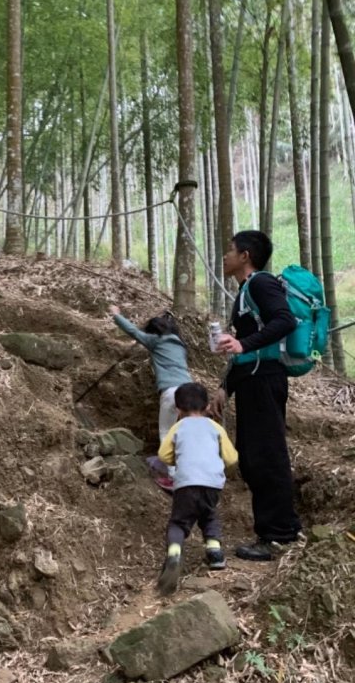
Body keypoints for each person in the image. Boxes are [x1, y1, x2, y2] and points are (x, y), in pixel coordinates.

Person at [210, 230, 302, 561]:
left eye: (230, 249)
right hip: (251, 380)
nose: (225, 255)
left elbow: (285, 321)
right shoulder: (247, 291)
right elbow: (245, 346)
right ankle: (280, 526)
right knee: (251, 456)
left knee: (267, 455)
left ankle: (278, 535)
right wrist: (226, 386)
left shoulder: (262, 284)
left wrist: (243, 344)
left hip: (265, 381)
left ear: (245, 255)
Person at [156, 382, 238, 595]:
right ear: (206, 405)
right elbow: (231, 458)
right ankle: (215, 553)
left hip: (185, 483)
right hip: (212, 483)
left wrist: (179, 459)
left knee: (179, 521)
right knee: (209, 516)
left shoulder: (178, 427)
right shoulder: (215, 427)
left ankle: (174, 554)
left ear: (178, 409)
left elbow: (163, 456)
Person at [109, 304, 192, 490]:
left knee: (166, 433)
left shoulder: (156, 341)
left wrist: (117, 315)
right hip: (190, 390)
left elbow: (133, 332)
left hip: (171, 391)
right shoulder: (181, 346)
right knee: (184, 433)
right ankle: (188, 472)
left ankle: (173, 478)